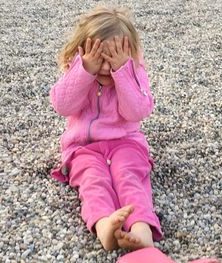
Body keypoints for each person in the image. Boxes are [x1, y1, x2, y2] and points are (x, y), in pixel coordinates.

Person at [49, 6, 163, 251]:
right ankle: (105, 228)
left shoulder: (132, 71)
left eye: (112, 58)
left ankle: (142, 231)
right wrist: (83, 71)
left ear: (128, 53)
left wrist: (123, 72)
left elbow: (138, 111)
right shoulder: (78, 70)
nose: (104, 67)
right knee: (93, 182)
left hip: (126, 143)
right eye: (99, 57)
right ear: (83, 51)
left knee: (129, 177)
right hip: (84, 148)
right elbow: (62, 105)